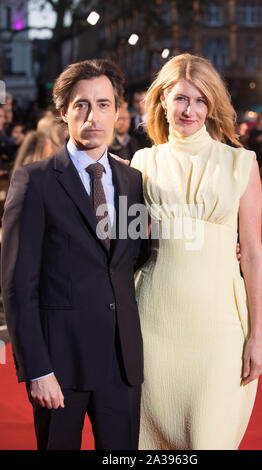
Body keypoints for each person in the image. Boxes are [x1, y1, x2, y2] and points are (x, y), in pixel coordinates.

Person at [1, 58, 146, 450]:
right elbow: (17, 287)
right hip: (60, 367)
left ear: (118, 112)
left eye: (103, 104)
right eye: (81, 104)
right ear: (64, 111)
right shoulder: (35, 181)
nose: (92, 116)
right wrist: (37, 369)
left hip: (122, 365)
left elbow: (135, 256)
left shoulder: (132, 181)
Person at [130, 53, 262, 450]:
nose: (190, 110)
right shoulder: (143, 162)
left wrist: (258, 335)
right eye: (180, 99)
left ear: (212, 106)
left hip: (220, 326)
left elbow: (254, 254)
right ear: (162, 102)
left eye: (201, 100)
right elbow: (127, 241)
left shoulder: (240, 163)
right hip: (152, 321)